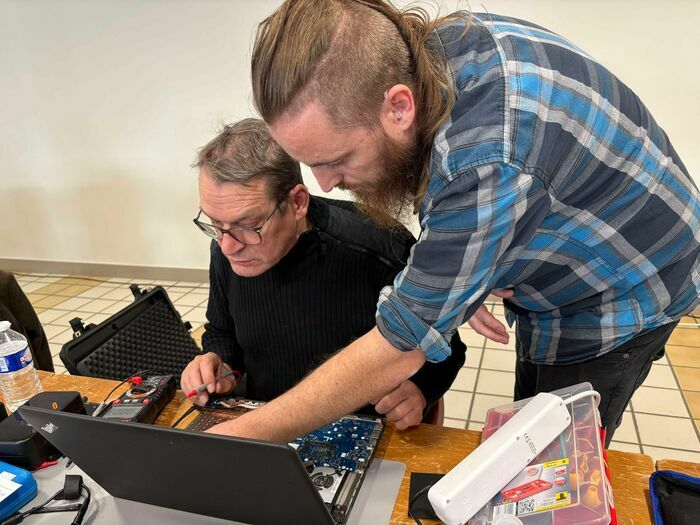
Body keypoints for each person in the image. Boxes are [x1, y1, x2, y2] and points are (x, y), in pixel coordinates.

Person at [206, 1, 699, 444]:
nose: (326, 184)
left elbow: (399, 345)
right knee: (532, 424)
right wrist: (475, 268)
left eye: (336, 158)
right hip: (581, 238)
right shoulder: (435, 55)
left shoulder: (485, 156)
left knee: (553, 456)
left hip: (626, 287)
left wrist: (238, 437)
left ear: (398, 107)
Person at [180, 118, 481, 429]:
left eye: (248, 225)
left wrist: (421, 390)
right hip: (262, 424)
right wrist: (217, 363)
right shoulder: (228, 245)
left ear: (297, 202)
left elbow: (448, 348)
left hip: (356, 429)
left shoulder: (378, 248)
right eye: (215, 224)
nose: (228, 246)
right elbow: (221, 330)